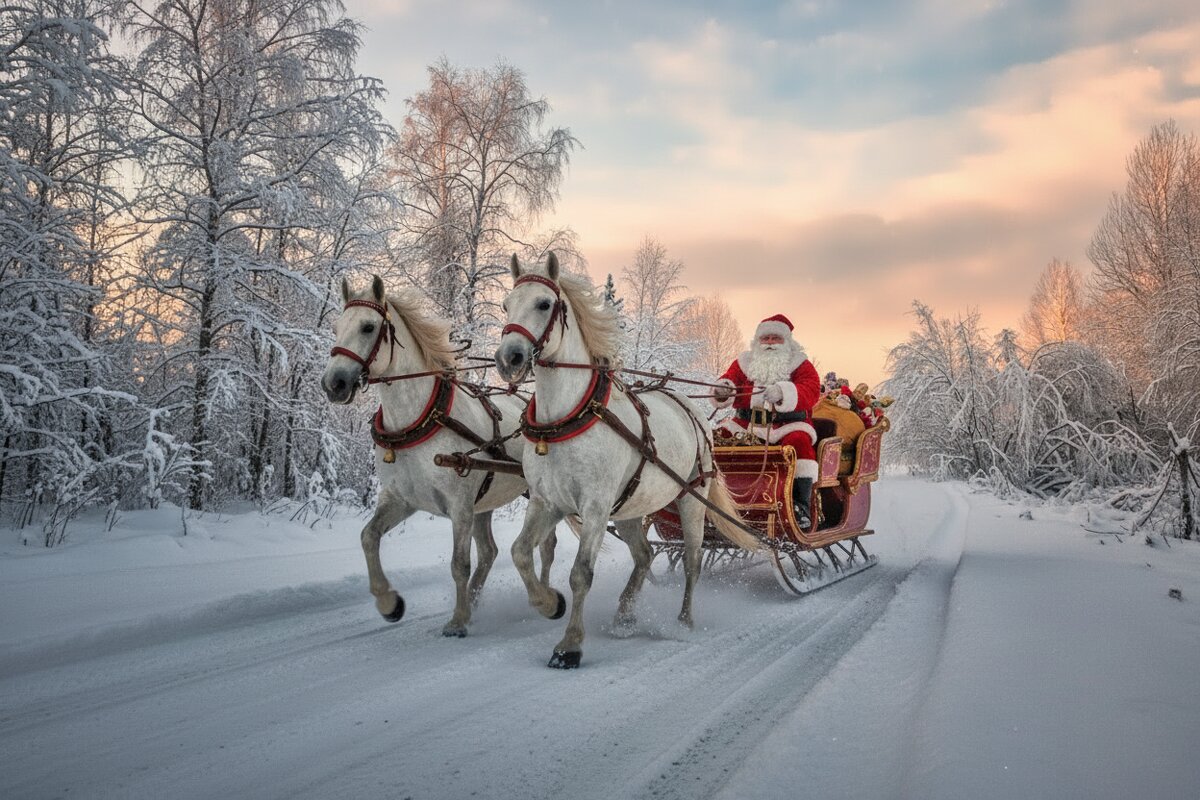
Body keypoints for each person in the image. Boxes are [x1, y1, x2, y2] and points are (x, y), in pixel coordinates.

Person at [711, 314, 822, 527]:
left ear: (787, 341)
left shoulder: (800, 364)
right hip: (745, 426)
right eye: (766, 338)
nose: (770, 343)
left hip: (787, 425)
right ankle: (718, 499)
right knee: (716, 440)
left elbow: (811, 390)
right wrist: (723, 389)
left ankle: (800, 506)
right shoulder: (743, 363)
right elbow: (729, 380)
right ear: (757, 341)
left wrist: (783, 392)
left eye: (775, 338)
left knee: (799, 443)